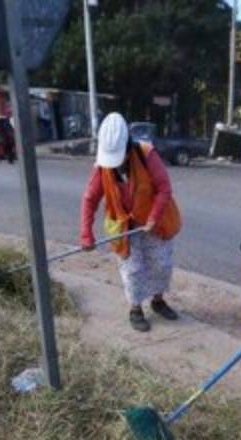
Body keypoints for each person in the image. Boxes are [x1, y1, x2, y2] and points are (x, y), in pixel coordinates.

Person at [80, 112, 182, 331]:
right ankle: (135, 309)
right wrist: (86, 233)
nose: (117, 165)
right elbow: (90, 199)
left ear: (128, 147)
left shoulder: (146, 154)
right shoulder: (102, 167)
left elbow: (164, 189)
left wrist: (153, 217)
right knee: (132, 268)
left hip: (154, 220)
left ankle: (158, 300)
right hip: (124, 224)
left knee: (160, 263)